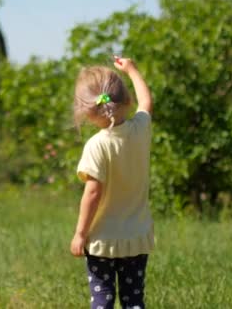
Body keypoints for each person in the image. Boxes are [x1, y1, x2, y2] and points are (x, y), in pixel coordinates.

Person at [70, 57, 154, 309]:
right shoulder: (141, 130)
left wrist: (80, 234)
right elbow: (147, 101)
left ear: (86, 110)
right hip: (136, 238)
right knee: (134, 301)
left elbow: (93, 193)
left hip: (102, 242)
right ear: (126, 99)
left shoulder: (97, 145)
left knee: (102, 301)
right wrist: (132, 70)